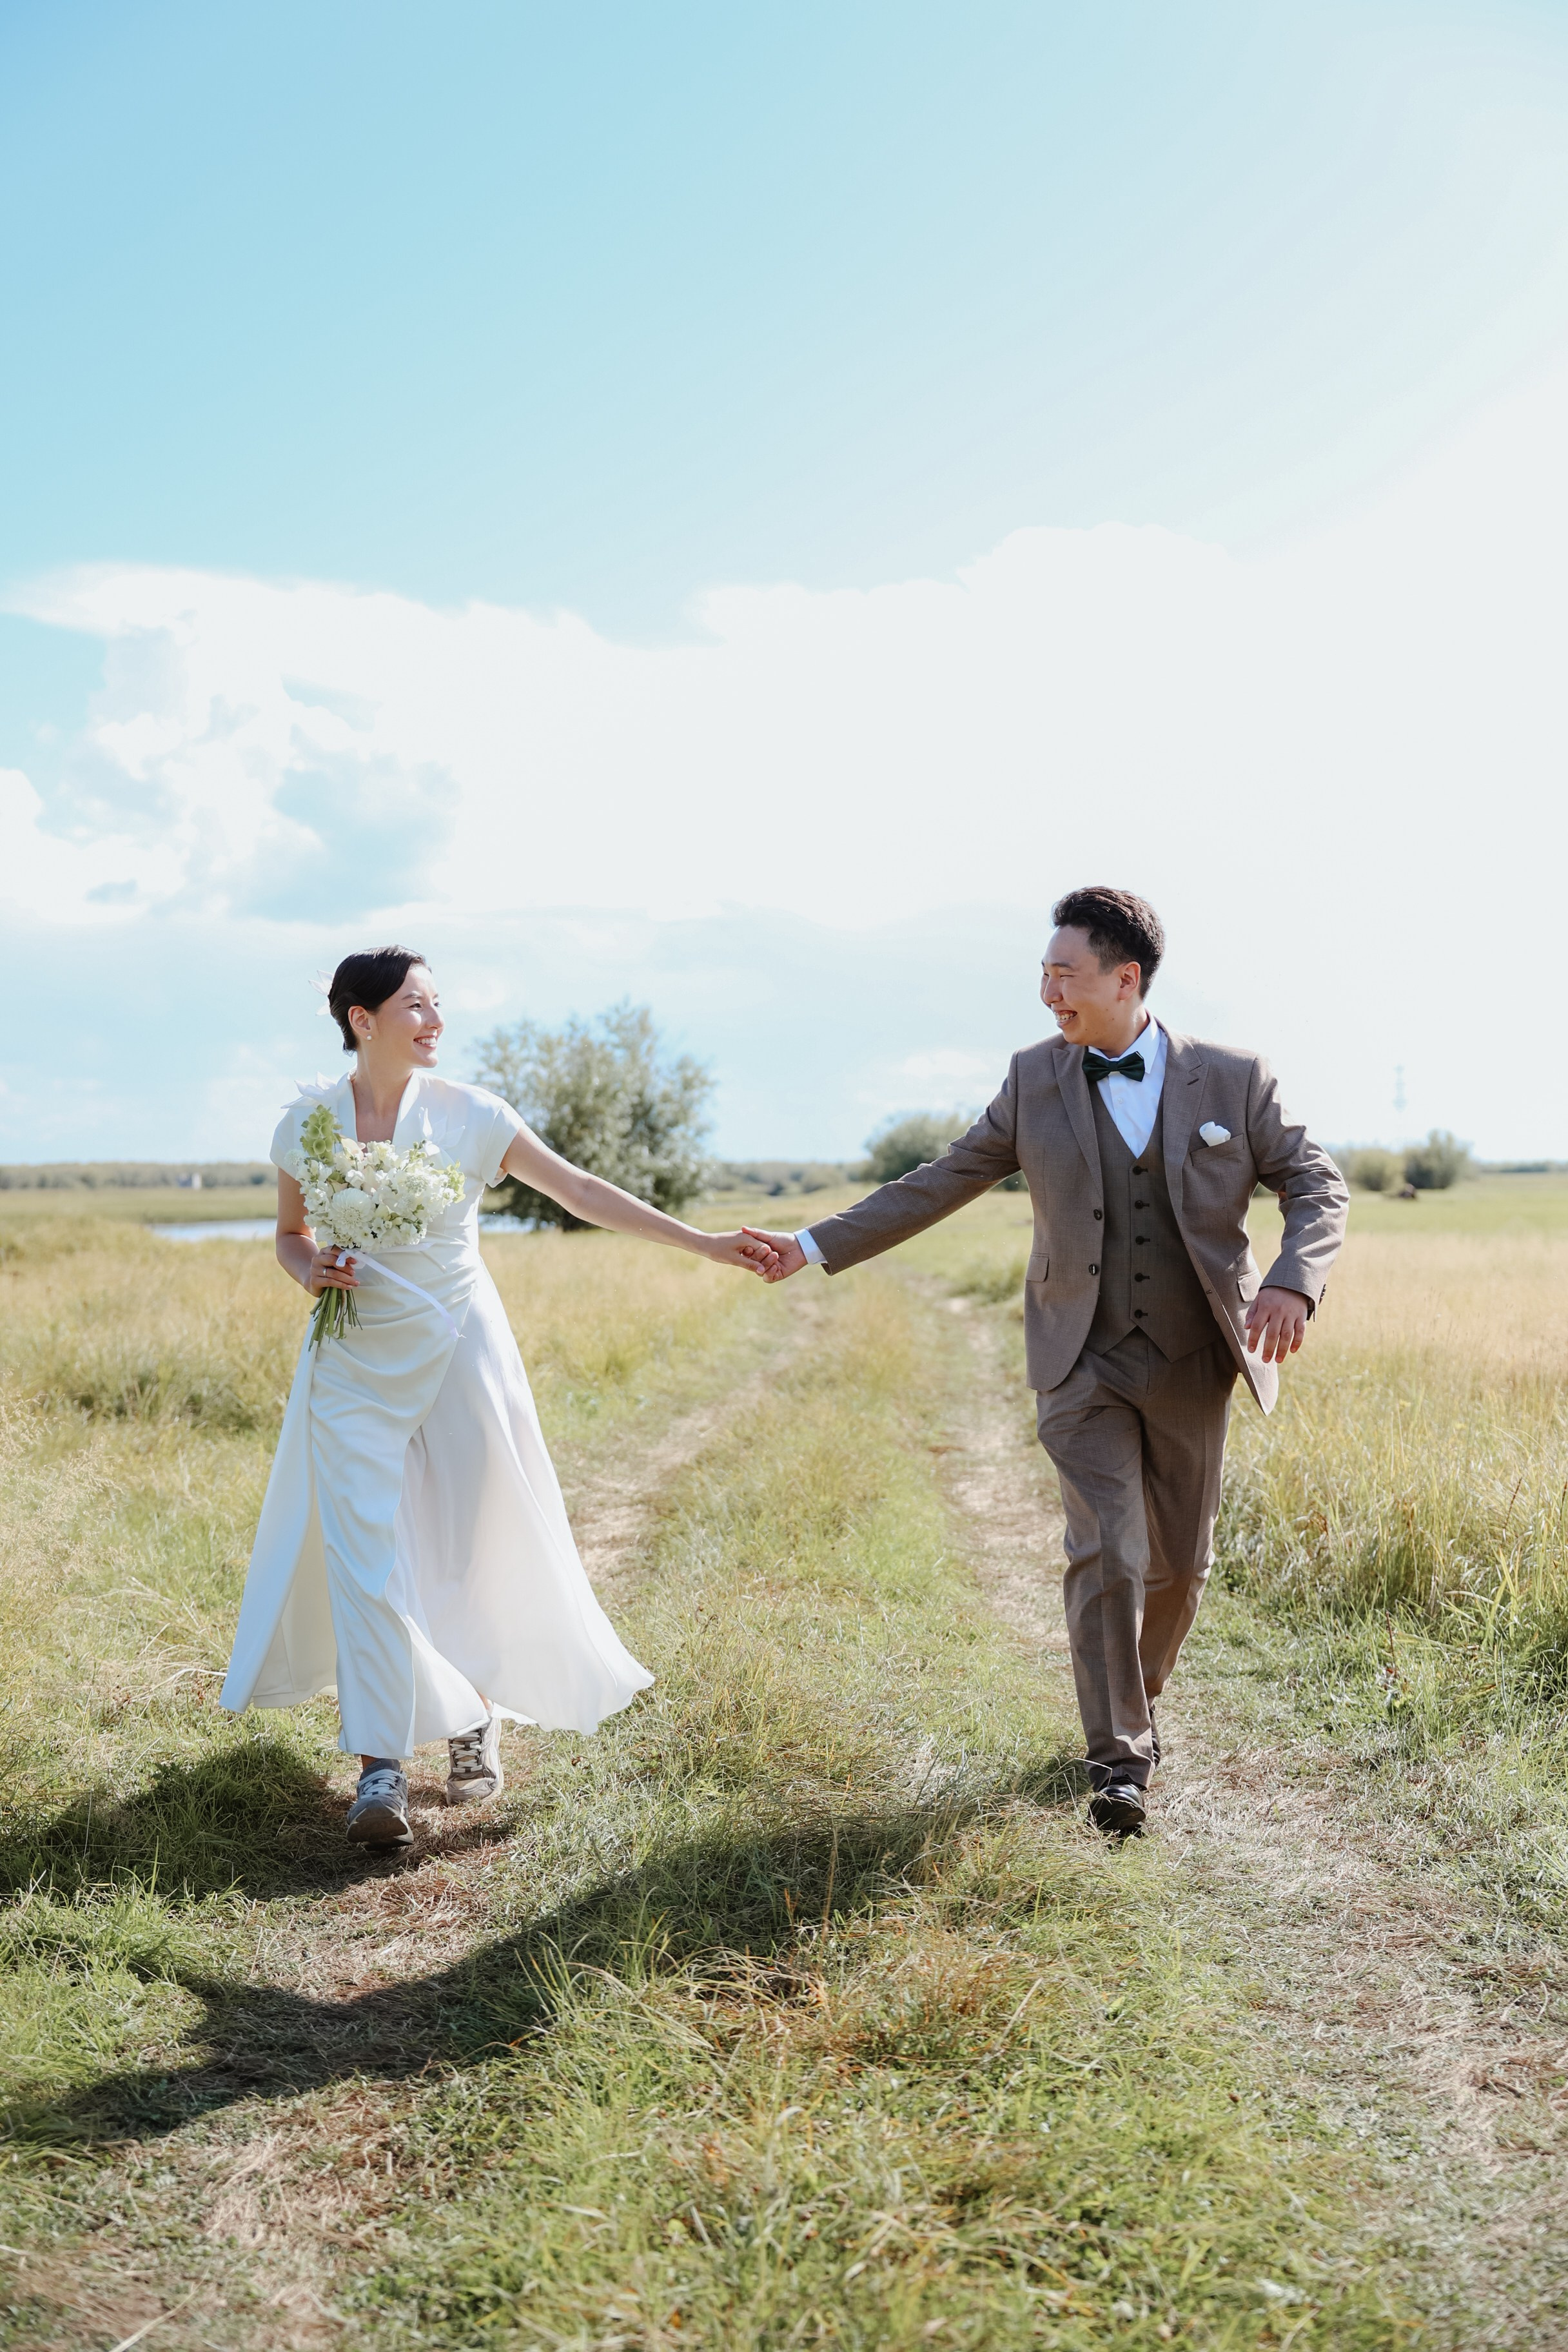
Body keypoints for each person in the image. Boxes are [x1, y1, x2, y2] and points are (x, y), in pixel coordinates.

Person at [744, 886, 1347, 1838]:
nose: (1048, 994)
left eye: (1065, 975)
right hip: (1081, 1359)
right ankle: (1118, 1762)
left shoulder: (1233, 1080)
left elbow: (1317, 1183)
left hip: (1194, 1358)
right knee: (1108, 1547)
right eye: (1043, 974)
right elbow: (941, 1179)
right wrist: (812, 1245)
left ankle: (1131, 1708)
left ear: (1125, 977)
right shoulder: (1033, 1080)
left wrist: (1292, 1281)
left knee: (1180, 1569)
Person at [220, 946, 779, 1847]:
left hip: (457, 1347)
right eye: (417, 1006)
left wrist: (704, 1243)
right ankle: (381, 1770)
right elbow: (290, 1234)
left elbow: (583, 1192)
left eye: (439, 1005)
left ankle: (474, 1719)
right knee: (365, 1560)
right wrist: (308, 1269)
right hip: (351, 1360)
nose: (436, 1022)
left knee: (470, 1541)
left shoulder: (473, 1115)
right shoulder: (305, 1126)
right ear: (363, 1020)